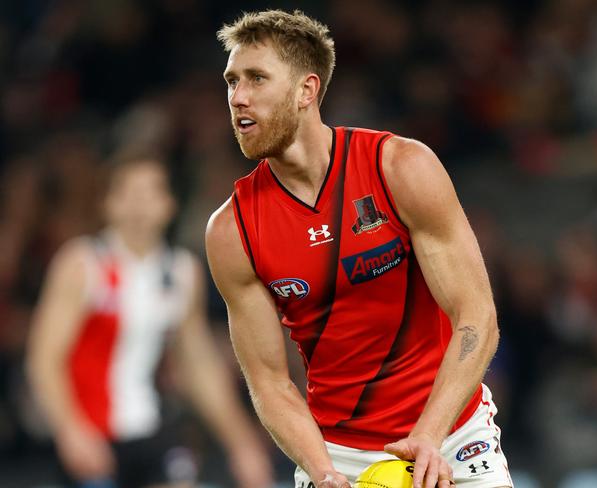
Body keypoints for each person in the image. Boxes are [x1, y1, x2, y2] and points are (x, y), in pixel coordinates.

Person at [206, 9, 512, 488]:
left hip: (450, 435)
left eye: (256, 79)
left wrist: (427, 437)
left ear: (306, 91)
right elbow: (269, 383)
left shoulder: (400, 168)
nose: (238, 98)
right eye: (231, 82)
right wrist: (323, 473)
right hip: (337, 455)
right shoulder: (232, 229)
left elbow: (476, 317)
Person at [27, 156, 274, 488]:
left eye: (151, 192)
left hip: (153, 429)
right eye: (128, 192)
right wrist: (70, 429)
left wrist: (241, 442)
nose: (140, 204)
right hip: (92, 436)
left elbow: (198, 365)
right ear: (108, 203)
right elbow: (44, 358)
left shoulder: (182, 272)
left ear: (169, 204)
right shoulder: (83, 264)